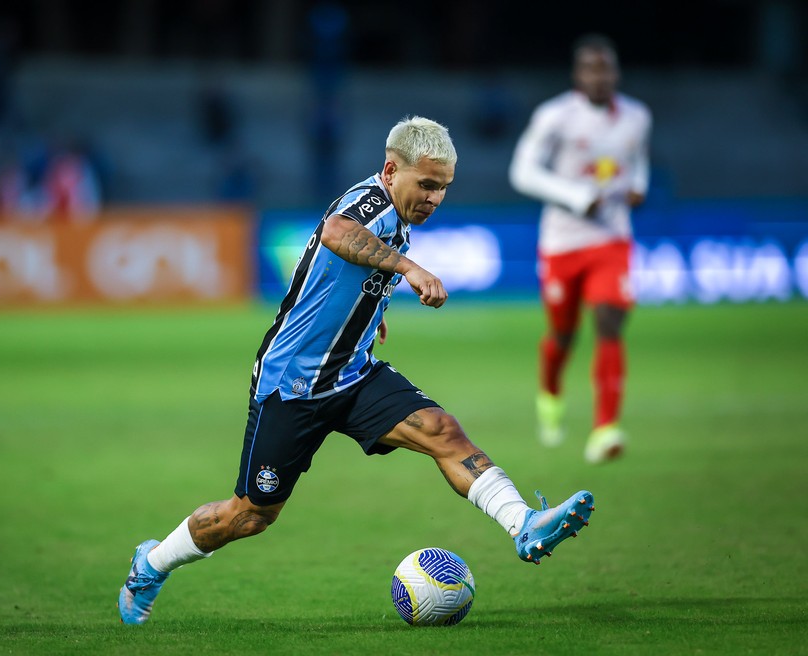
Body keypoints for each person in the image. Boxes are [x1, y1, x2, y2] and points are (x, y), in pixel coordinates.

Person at [118, 116, 596, 625]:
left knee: (442, 430)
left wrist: (375, 311)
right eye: (427, 185)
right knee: (250, 516)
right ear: (391, 170)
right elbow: (337, 231)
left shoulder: (402, 214)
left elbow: (345, 278)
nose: (435, 198)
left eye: (443, 189)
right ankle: (150, 564)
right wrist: (410, 269)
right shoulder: (372, 201)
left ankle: (524, 523)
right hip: (293, 386)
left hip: (353, 374)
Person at [509, 34, 651, 464]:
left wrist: (639, 186)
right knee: (564, 335)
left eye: (606, 68)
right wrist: (573, 196)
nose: (599, 76)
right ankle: (550, 393)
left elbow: (637, 161)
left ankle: (605, 428)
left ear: (616, 72)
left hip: (611, 238)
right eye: (591, 68)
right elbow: (522, 172)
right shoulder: (555, 117)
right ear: (577, 75)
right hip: (562, 242)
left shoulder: (636, 117)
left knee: (610, 321)